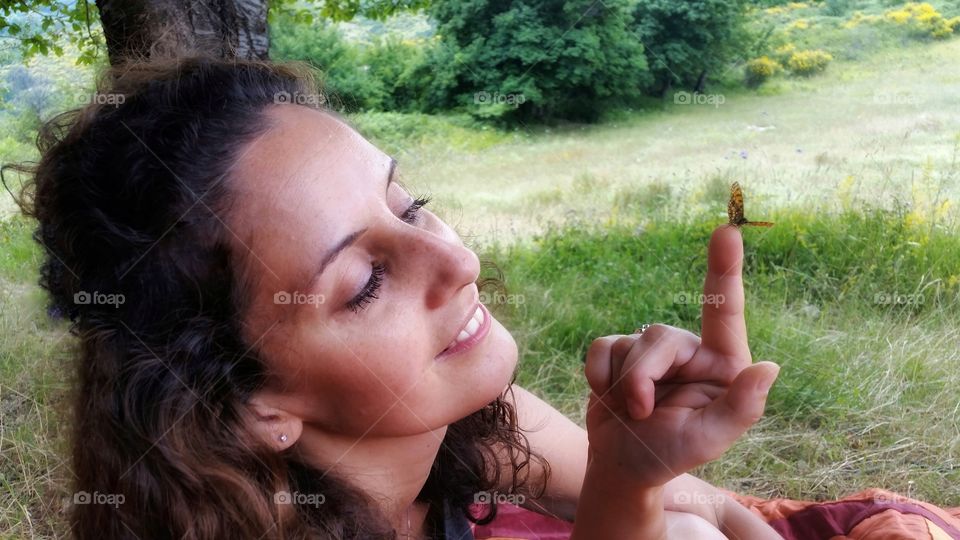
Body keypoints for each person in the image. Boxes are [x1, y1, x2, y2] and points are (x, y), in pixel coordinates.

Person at [6, 56, 781, 539]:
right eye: (366, 283)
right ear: (256, 406)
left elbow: (711, 511)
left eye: (407, 205)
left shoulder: (449, 426)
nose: (457, 256)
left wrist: (632, 469)